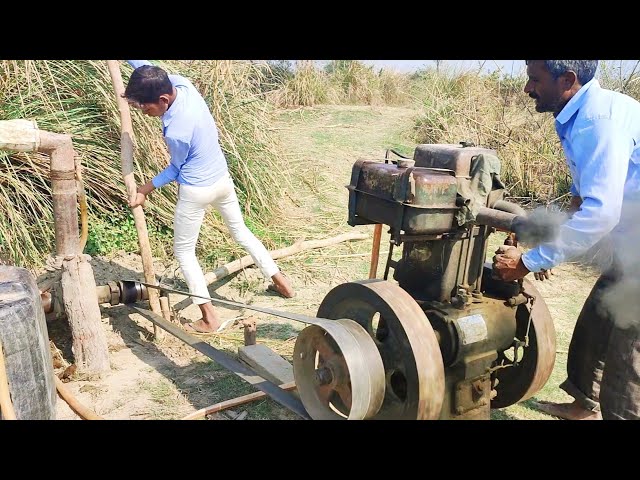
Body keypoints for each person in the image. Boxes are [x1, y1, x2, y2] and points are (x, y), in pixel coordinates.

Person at [493, 60, 640, 420]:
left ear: (568, 80)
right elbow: (581, 200)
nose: (528, 88)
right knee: (595, 324)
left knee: (628, 349)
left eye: (534, 79)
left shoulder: (598, 123)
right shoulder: (582, 113)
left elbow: (601, 214)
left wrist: (530, 262)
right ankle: (582, 407)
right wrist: (544, 243)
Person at [123, 60, 295, 334]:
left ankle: (208, 318)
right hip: (221, 180)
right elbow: (151, 68)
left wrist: (145, 189)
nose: (142, 110)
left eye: (146, 105)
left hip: (196, 190)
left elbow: (175, 170)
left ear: (164, 99)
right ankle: (281, 281)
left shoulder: (178, 131)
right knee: (240, 231)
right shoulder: (183, 85)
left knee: (184, 252)